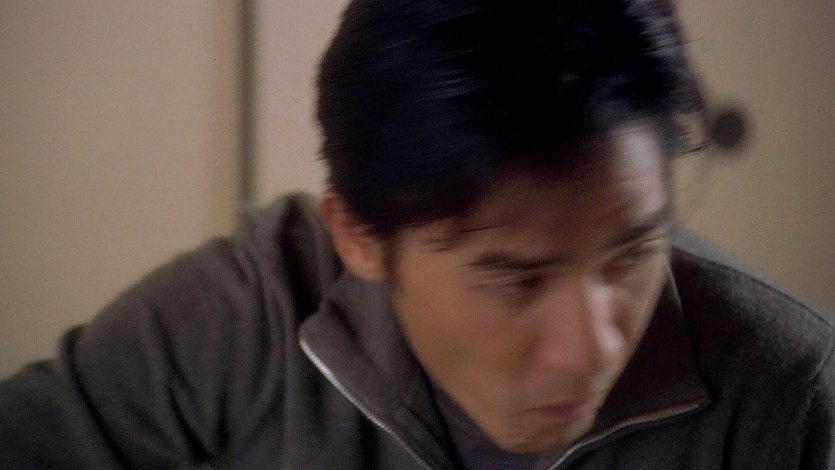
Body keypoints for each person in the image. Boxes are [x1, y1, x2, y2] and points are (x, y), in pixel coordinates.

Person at [1, 0, 833, 468]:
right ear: (359, 238)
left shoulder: (785, 392)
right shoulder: (253, 310)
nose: (591, 347)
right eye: (515, 280)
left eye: (631, 254)